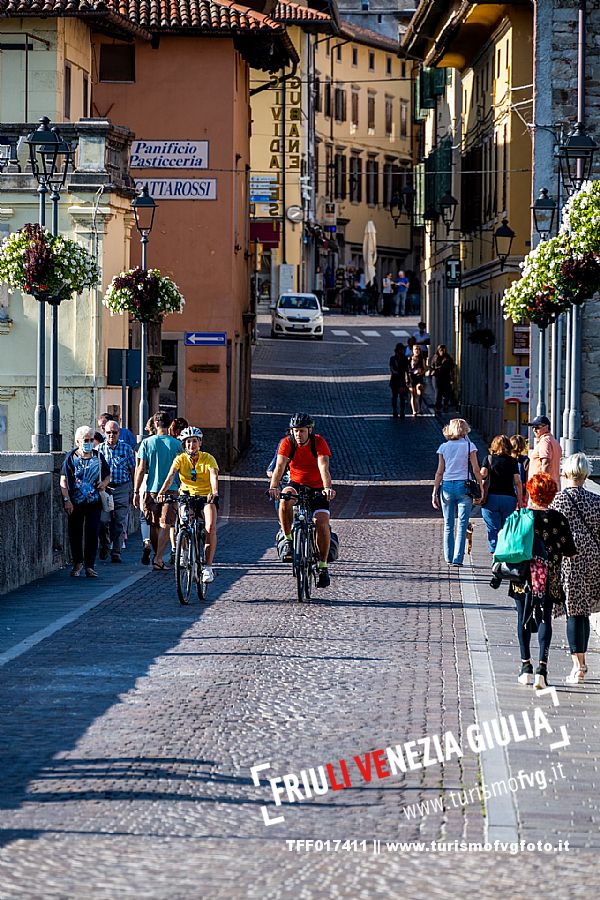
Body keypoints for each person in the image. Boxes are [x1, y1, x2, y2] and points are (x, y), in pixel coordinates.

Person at [509, 473, 576, 689]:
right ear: (551, 495)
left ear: (531, 492)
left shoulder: (522, 516)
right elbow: (570, 551)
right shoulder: (558, 518)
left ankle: (525, 667)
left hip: (523, 575)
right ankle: (542, 670)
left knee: (523, 616)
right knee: (545, 617)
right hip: (549, 576)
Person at [268, 413, 336, 588]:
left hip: (317, 486)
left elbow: (323, 467)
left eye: (301, 431)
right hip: (296, 483)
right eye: (295, 431)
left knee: (321, 521)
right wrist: (274, 486)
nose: (298, 434)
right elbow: (280, 466)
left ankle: (322, 567)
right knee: (285, 499)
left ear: (309, 430)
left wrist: (327, 488)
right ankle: (289, 540)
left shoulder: (318, 442)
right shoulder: (287, 442)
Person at [550, 453, 600, 684]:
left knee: (573, 610)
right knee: (585, 612)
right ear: (586, 474)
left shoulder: (559, 500)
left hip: (569, 559)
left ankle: (578, 666)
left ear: (566, 473)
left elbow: (551, 535)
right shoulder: (595, 500)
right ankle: (583, 662)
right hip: (592, 559)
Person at [158, 426, 220, 583]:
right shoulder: (180, 459)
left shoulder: (208, 458)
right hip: (187, 496)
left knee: (210, 527)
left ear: (199, 443)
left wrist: (214, 491)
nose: (191, 445)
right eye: (188, 442)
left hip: (206, 496)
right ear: (184, 444)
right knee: (184, 522)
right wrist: (162, 492)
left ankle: (208, 568)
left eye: (194, 441)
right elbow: (171, 476)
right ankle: (184, 551)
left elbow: (213, 475)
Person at [60, 425, 111, 578]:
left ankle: (89, 565)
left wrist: (104, 484)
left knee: (92, 533)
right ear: (78, 441)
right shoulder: (71, 458)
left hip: (93, 502)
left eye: (90, 440)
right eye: (85, 440)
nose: (88, 442)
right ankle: (77, 562)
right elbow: (63, 480)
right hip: (75, 503)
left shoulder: (98, 456)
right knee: (74, 534)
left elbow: (107, 475)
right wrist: (67, 500)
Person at [134, 411, 182, 571]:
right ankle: (159, 557)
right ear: (169, 425)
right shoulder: (176, 444)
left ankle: (157, 557)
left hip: (151, 489)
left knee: (153, 524)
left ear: (155, 424)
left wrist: (135, 491)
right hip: (171, 489)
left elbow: (140, 469)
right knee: (165, 524)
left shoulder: (147, 443)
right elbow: (183, 469)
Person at [432, 418, 483, 567]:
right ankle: (457, 559)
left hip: (447, 486)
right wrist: (480, 485)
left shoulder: (443, 447)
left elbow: (439, 472)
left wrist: (435, 491)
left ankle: (448, 556)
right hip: (464, 486)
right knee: (461, 524)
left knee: (448, 524)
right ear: (465, 430)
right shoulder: (469, 446)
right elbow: (475, 469)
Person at [97, 420, 136, 563]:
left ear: (119, 433)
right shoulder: (99, 449)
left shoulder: (126, 449)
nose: (111, 435)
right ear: (104, 433)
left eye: (114, 432)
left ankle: (116, 551)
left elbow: (133, 469)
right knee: (103, 520)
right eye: (108, 433)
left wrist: (133, 489)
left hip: (122, 487)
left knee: (119, 522)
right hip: (105, 490)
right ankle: (106, 544)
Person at [479, 435, 523, 553]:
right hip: (509, 498)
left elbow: (482, 475)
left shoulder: (488, 459)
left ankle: (494, 549)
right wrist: (520, 500)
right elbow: (518, 483)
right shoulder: (513, 461)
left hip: (491, 498)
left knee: (493, 527)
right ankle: (504, 549)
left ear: (494, 445)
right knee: (506, 527)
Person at [138, 415, 157, 565]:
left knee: (144, 517)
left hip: (146, 481)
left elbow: (140, 468)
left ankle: (146, 541)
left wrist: (136, 489)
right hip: (164, 482)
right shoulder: (171, 443)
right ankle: (159, 552)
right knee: (159, 519)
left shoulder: (144, 444)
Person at [527, 415, 561, 491]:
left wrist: (543, 486)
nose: (534, 430)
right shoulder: (554, 442)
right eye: (533, 427)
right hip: (553, 486)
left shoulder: (545, 441)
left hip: (542, 489)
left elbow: (546, 463)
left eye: (537, 427)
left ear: (546, 427)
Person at [430, 345, 455, 412]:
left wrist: (452, 379)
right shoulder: (435, 358)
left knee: (447, 392)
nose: (442, 352)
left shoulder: (448, 358)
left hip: (446, 377)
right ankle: (438, 407)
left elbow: (452, 369)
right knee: (438, 392)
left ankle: (445, 405)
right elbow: (431, 367)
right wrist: (434, 370)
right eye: (441, 350)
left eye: (444, 350)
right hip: (437, 378)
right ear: (438, 351)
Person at [389, 342, 409, 419]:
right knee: (394, 396)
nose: (402, 351)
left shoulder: (404, 359)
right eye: (401, 350)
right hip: (394, 379)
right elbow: (391, 368)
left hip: (401, 380)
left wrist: (407, 378)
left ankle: (402, 411)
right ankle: (394, 410)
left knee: (402, 397)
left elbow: (407, 369)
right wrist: (395, 372)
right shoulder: (393, 358)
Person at [408, 344, 426, 416]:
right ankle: (414, 410)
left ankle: (420, 408)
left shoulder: (422, 359)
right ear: (413, 350)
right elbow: (407, 368)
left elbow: (425, 368)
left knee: (420, 390)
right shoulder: (410, 359)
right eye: (415, 349)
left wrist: (421, 372)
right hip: (412, 377)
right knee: (413, 394)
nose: (417, 351)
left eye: (418, 349)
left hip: (419, 377)